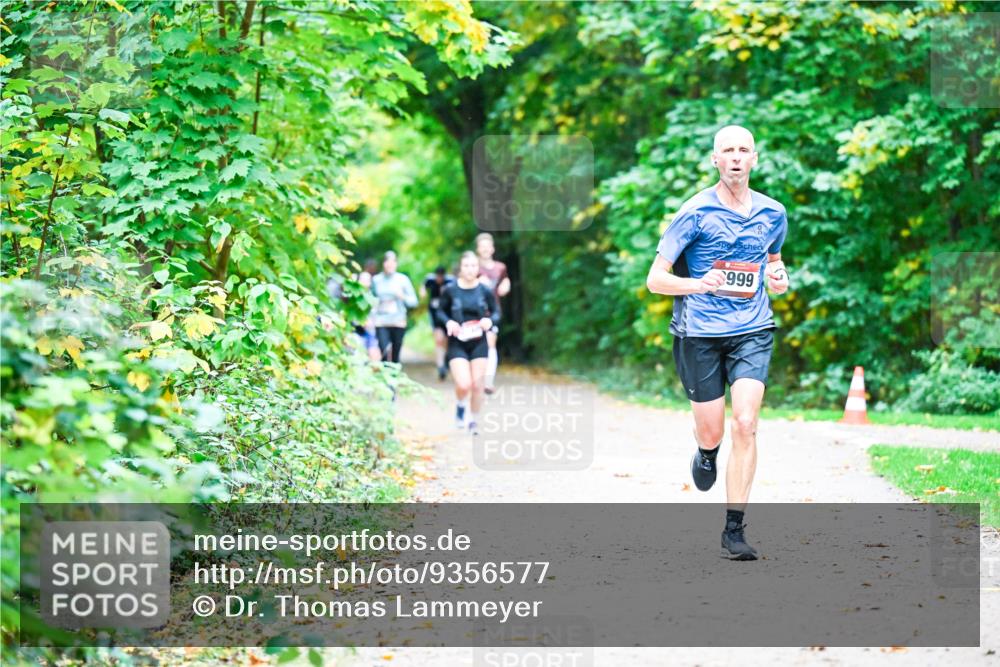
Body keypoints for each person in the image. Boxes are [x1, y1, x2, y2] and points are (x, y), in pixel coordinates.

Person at [645, 125, 790, 561]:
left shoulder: (773, 213)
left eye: (744, 149)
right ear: (714, 159)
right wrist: (697, 284)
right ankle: (706, 452)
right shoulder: (693, 212)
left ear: (755, 158)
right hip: (699, 334)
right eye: (727, 150)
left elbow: (775, 265)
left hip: (752, 327)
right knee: (713, 431)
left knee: (744, 423)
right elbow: (655, 280)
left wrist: (779, 280)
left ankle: (734, 530)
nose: (735, 157)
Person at [436, 251, 500, 435]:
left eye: (473, 266)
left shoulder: (485, 290)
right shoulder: (451, 290)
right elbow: (440, 312)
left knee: (477, 385)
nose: (470, 270)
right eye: (466, 266)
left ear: (478, 268)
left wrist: (490, 321)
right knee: (464, 384)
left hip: (479, 342)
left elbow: (496, 313)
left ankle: (473, 420)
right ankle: (461, 405)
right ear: (460, 268)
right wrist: (449, 322)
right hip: (457, 342)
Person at [475, 232, 510, 394]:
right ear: (478, 249)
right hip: (474, 312)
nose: (485, 250)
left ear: (493, 249)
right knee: (476, 344)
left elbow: (505, 280)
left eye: (488, 247)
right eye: (482, 247)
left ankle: (488, 381)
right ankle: (476, 377)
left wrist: (506, 286)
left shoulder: (500, 267)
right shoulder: (473, 267)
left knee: (490, 343)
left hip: (492, 311)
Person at [371, 251, 418, 364]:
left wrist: (403, 297)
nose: (390, 265)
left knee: (396, 353)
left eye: (392, 263)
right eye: (387, 262)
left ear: (396, 264)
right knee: (384, 351)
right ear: (383, 264)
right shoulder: (376, 280)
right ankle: (386, 379)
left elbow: (414, 302)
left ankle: (394, 376)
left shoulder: (403, 280)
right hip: (381, 321)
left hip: (398, 321)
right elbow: (370, 299)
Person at [423, 265, 455, 380]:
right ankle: (440, 366)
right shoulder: (430, 280)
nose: (439, 279)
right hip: (435, 314)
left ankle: (445, 361)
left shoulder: (450, 281)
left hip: (447, 315)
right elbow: (423, 287)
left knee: (446, 340)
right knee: (438, 339)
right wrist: (423, 292)